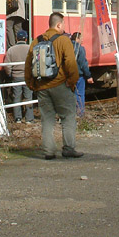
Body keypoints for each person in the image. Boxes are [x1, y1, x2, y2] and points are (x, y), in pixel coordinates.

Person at [24, 12, 81, 160]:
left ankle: (49, 151)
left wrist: (31, 84)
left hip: (42, 86)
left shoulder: (36, 41)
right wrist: (72, 82)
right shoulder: (63, 40)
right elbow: (71, 64)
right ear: (59, 25)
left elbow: (28, 64)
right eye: (62, 25)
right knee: (68, 117)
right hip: (61, 85)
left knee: (47, 120)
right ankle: (68, 148)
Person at [4, 30, 33, 123]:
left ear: (16, 38)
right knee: (28, 97)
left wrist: (10, 73)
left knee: (16, 97)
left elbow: (7, 65)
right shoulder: (30, 48)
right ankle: (29, 119)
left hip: (16, 76)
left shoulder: (11, 50)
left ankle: (18, 118)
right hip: (28, 76)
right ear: (26, 38)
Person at [70, 32, 93, 116]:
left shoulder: (67, 47)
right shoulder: (80, 48)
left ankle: (70, 114)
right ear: (77, 39)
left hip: (68, 76)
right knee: (79, 94)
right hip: (79, 75)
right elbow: (83, 63)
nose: (82, 40)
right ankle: (80, 114)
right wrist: (88, 76)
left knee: (69, 95)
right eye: (81, 38)